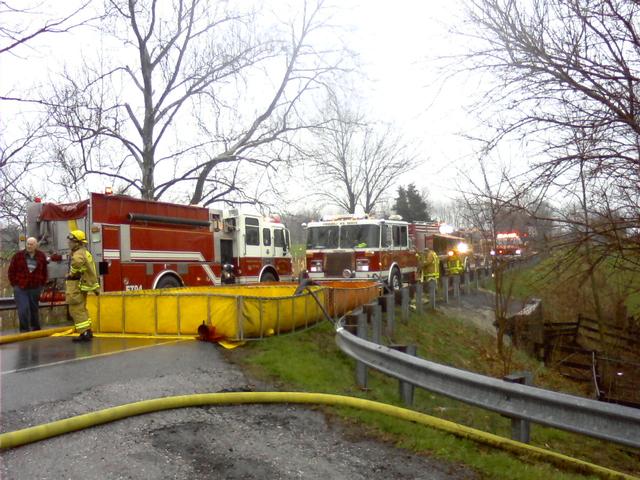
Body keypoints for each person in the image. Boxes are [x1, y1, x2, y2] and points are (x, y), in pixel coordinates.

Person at [8, 237, 48, 332]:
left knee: (34, 308)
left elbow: (44, 271)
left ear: (36, 245)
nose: (29, 246)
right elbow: (11, 271)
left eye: (31, 244)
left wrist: (42, 284)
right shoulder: (18, 256)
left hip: (35, 287)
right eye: (28, 244)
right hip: (21, 287)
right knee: (23, 309)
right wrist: (14, 284)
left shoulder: (41, 256)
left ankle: (36, 328)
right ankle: (24, 330)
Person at [66, 230, 100, 342]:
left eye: (71, 241)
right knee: (81, 308)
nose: (68, 243)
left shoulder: (78, 254)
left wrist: (71, 273)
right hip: (83, 284)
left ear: (77, 242)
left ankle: (84, 332)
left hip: (77, 284)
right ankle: (87, 331)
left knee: (76, 309)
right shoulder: (84, 251)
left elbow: (76, 263)